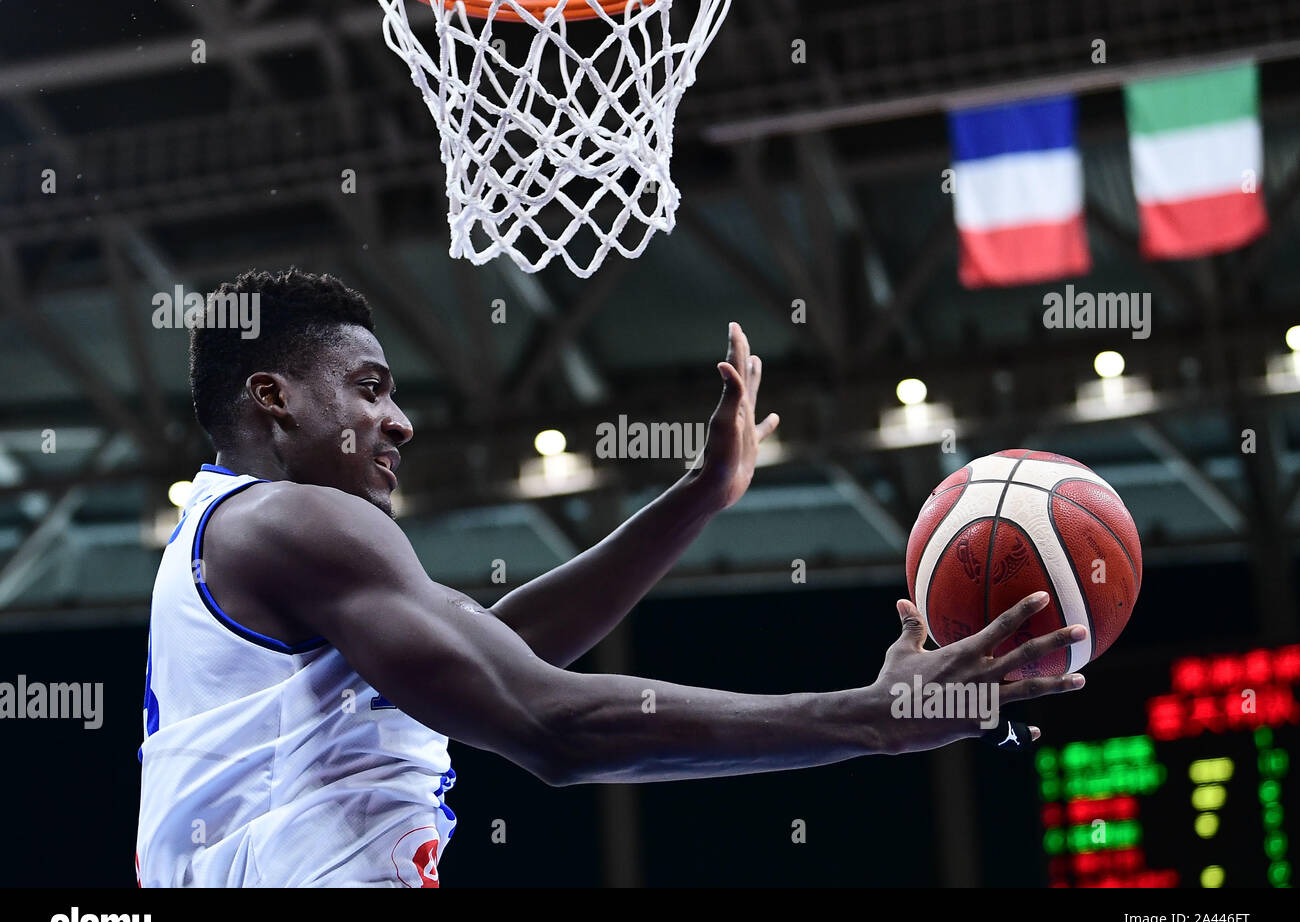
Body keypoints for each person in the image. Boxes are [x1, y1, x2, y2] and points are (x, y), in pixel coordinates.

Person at [135, 268, 1085, 887]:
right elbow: (549, 723)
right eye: (371, 388)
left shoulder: (232, 538)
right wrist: (872, 718)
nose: (402, 421)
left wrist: (699, 495)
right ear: (275, 398)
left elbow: (499, 650)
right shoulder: (300, 520)